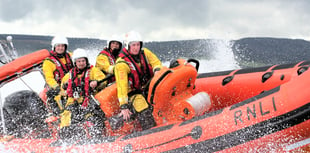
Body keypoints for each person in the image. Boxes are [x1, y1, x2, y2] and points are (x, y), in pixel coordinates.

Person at [114, 31, 162, 130]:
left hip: (148, 86)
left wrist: (157, 70)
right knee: (142, 106)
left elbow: (155, 62)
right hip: (133, 93)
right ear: (128, 46)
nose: (136, 47)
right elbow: (121, 86)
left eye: (138, 44)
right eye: (133, 45)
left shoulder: (145, 53)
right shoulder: (121, 64)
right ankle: (149, 132)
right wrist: (124, 106)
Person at [59, 48, 107, 140]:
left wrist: (96, 83)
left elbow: (103, 81)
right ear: (75, 62)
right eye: (79, 61)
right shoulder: (69, 75)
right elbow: (62, 89)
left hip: (89, 101)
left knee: (93, 118)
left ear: (86, 61)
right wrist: (66, 88)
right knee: (67, 118)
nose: (81, 63)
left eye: (83, 61)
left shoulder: (93, 71)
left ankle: (97, 138)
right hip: (73, 102)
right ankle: (66, 138)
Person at [42, 35, 73, 115]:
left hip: (72, 84)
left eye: (62, 46)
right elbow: (49, 79)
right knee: (63, 110)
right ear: (54, 47)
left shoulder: (71, 56)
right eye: (58, 46)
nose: (60, 48)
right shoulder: (48, 62)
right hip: (57, 90)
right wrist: (58, 89)